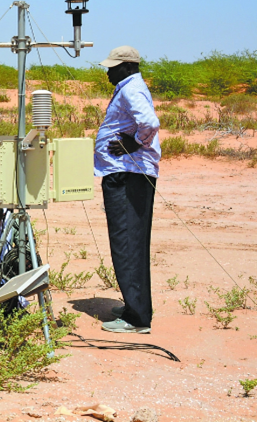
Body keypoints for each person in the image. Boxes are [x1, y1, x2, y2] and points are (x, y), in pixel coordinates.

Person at [95, 45, 161, 334]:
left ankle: (137, 318)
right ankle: (136, 305)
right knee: (130, 241)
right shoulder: (130, 86)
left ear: (127, 66)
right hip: (125, 174)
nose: (108, 72)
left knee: (127, 242)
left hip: (128, 175)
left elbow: (149, 122)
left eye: (113, 67)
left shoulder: (131, 88)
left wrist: (136, 142)